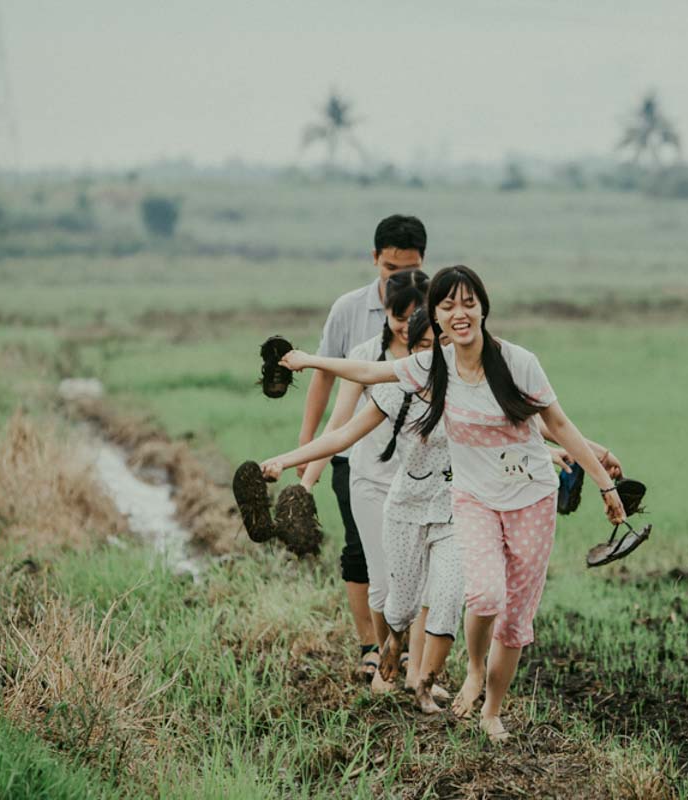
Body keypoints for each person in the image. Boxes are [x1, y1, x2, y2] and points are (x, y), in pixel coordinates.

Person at [279, 265, 626, 742]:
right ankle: (472, 670)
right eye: (447, 306)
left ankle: (491, 712)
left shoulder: (518, 362)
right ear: (436, 317)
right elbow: (365, 373)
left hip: (532, 501)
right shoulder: (429, 367)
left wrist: (603, 481)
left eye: (468, 303)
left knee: (515, 621)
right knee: (483, 595)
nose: (459, 314)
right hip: (472, 501)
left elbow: (557, 425)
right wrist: (309, 361)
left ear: (483, 307)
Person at [256, 310, 463, 712]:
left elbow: (519, 424)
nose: (431, 355)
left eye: (440, 346)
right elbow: (345, 432)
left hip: (452, 510)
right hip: (405, 506)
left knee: (444, 596)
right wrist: (284, 460)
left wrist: (563, 452)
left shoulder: (470, 386)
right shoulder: (401, 383)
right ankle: (393, 643)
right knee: (397, 603)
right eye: (420, 347)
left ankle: (423, 681)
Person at [297, 214, 426, 679]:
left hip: (418, 461)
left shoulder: (434, 319)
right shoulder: (349, 312)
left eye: (407, 268)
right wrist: (308, 447)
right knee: (361, 551)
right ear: (375, 260)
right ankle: (372, 647)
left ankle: (409, 652)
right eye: (389, 268)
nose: (396, 278)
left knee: (416, 558)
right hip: (356, 455)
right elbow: (327, 379)